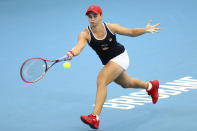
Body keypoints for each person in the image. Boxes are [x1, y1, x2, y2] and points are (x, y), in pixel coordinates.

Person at [65, 5, 161, 129]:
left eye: (95, 16)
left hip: (120, 57)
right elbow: (78, 47)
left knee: (101, 80)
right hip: (109, 62)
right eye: (90, 17)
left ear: (101, 16)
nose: (92, 19)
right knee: (127, 83)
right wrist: (71, 53)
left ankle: (95, 117)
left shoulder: (110, 27)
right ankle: (151, 86)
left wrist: (145, 29)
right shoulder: (85, 34)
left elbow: (131, 32)